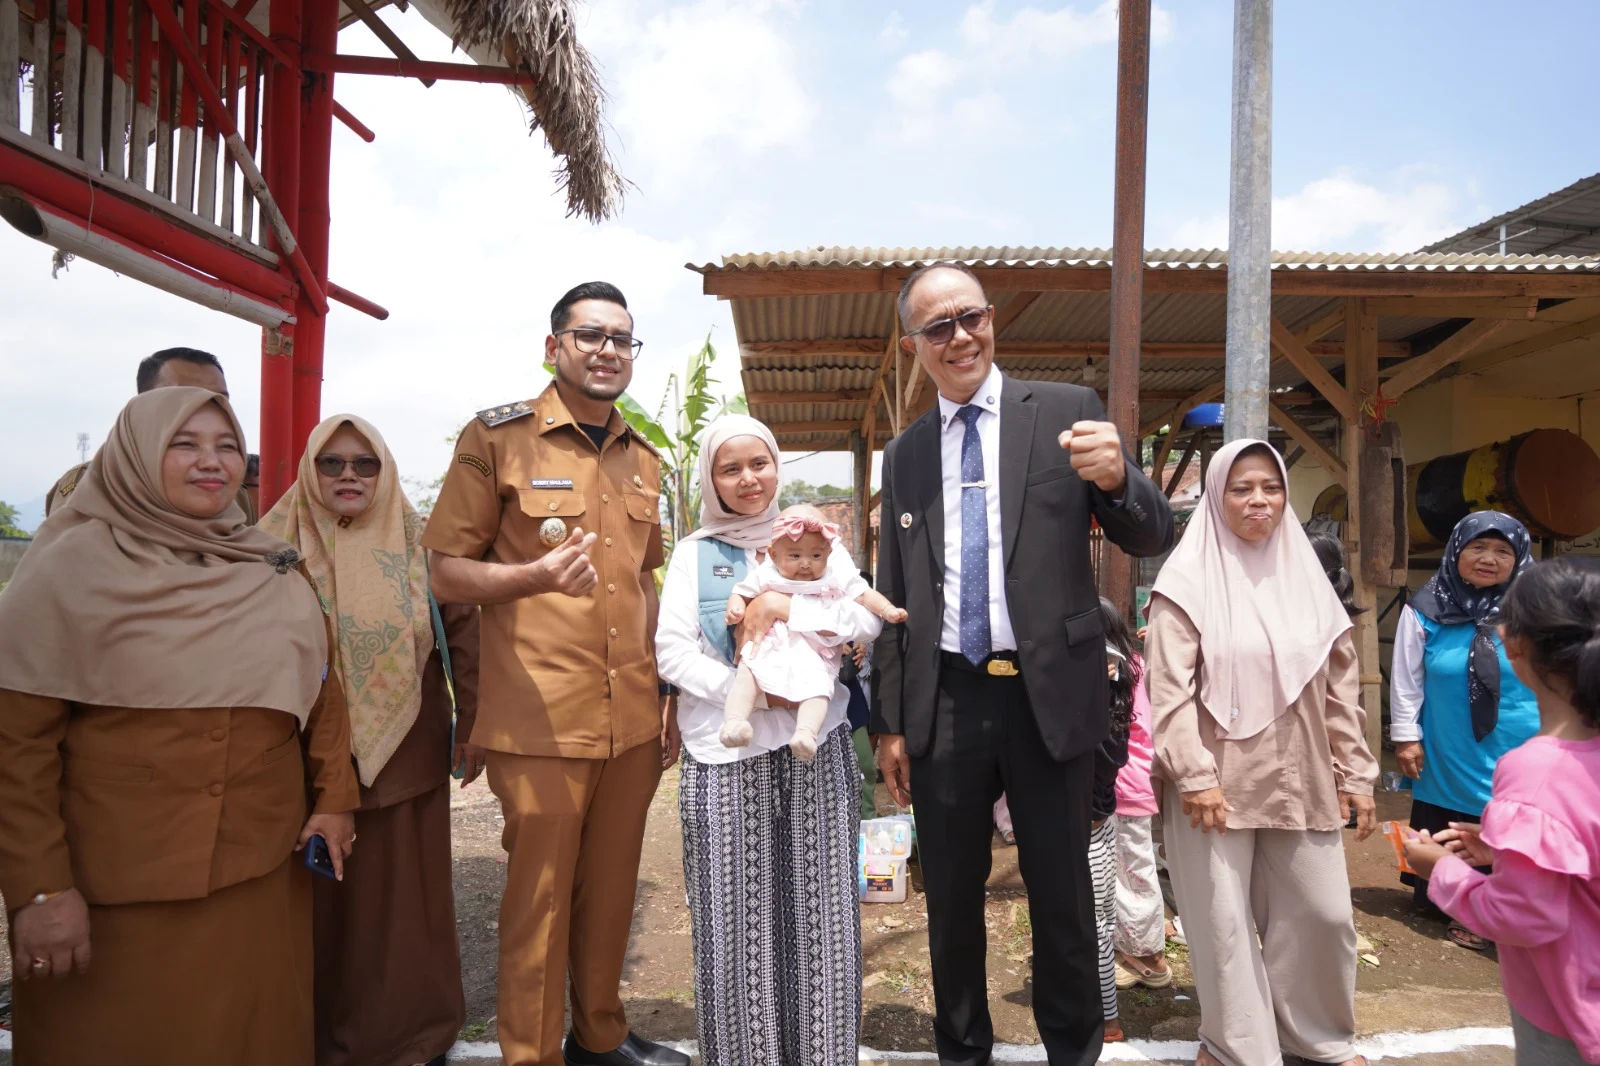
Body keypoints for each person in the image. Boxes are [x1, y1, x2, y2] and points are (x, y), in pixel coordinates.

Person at [871, 262, 1175, 1066]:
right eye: (938, 327)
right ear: (915, 346)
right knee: (953, 905)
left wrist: (1121, 479)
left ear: (992, 319)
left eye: (969, 317)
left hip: (1049, 696)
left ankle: (1073, 1053)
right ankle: (962, 1052)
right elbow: (893, 595)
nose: (959, 337)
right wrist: (893, 722)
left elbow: (1150, 534)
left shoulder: (1067, 414)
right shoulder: (902, 456)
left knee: (1064, 901)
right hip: (948, 701)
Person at [0, 387, 358, 1064]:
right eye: (183, 444)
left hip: (259, 880)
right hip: (115, 893)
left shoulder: (270, 566)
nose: (211, 463)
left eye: (226, 446)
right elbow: (16, 751)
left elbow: (323, 692)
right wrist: (41, 891)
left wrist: (336, 800)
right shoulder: (67, 569)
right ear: (134, 455)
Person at [422, 281, 685, 1066]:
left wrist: (666, 692)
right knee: (539, 902)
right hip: (540, 718)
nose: (608, 351)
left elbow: (645, 585)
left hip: (632, 720)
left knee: (609, 895)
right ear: (554, 347)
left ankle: (599, 1037)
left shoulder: (644, 458)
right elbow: (443, 571)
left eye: (622, 340)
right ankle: (529, 1054)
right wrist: (532, 579)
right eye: (590, 336)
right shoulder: (499, 438)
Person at [655, 415, 884, 1066]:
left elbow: (859, 620)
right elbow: (670, 653)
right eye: (731, 468)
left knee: (823, 925)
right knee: (736, 929)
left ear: (777, 466)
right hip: (725, 756)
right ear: (712, 478)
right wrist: (752, 684)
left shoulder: (815, 541)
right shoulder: (696, 554)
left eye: (759, 463)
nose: (749, 479)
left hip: (818, 752)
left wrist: (792, 613)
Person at [261, 413, 484, 1066]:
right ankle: (319, 1039)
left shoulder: (420, 541)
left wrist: (471, 719)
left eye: (365, 464)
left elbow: (462, 627)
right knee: (320, 906)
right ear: (310, 471)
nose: (349, 475)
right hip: (299, 759)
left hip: (405, 752)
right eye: (333, 463)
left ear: (384, 472)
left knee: (402, 905)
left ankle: (411, 1040)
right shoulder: (271, 544)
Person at [1147, 439, 1377, 1066]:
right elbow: (1168, 692)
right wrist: (1194, 776)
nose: (1258, 501)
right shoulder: (1187, 581)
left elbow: (1339, 691)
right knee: (1222, 923)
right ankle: (1237, 1047)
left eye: (1271, 488)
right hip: (1215, 782)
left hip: (1302, 774)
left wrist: (1356, 773)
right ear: (1217, 498)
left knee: (1323, 914)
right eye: (1241, 488)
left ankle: (1317, 1038)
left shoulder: (1308, 579)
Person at [1403, 557, 1600, 1066]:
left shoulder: (1534, 771)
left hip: (1568, 1013)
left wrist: (1441, 872)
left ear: (1514, 645)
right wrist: (1504, 850)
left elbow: (1524, 915)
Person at [1390, 511, 1538, 949]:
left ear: (1519, 558)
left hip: (1524, 739)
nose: (1488, 559)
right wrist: (1406, 736)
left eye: (1502, 551)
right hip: (1449, 740)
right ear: (1456, 550)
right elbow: (1407, 679)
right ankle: (1452, 895)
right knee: (1454, 812)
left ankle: (1503, 908)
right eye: (1477, 547)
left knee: (1513, 814)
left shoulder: (1537, 611)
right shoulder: (1426, 609)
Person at [722, 504, 905, 760]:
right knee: (747, 674)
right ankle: (734, 721)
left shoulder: (833, 577)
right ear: (773, 554)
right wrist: (736, 606)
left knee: (819, 688)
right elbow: (741, 590)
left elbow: (863, 595)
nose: (806, 564)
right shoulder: (767, 573)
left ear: (828, 553)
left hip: (813, 650)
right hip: (772, 645)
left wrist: (886, 609)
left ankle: (806, 734)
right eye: (795, 556)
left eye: (816, 556)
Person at [45, 347, 259, 523]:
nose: (203, 408)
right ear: (144, 404)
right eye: (181, 397)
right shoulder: (91, 484)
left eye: (218, 400)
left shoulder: (229, 488)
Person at [1111, 605, 1170, 995]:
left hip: (1123, 785)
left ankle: (1148, 958)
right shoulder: (1138, 665)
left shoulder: (1112, 671)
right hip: (1142, 780)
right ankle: (1137, 946)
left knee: (1133, 871)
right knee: (1135, 866)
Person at [1091, 598, 1136, 1044]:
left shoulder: (1110, 705)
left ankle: (1107, 1018)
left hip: (1091, 829)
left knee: (1099, 922)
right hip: (1083, 827)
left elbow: (1105, 764)